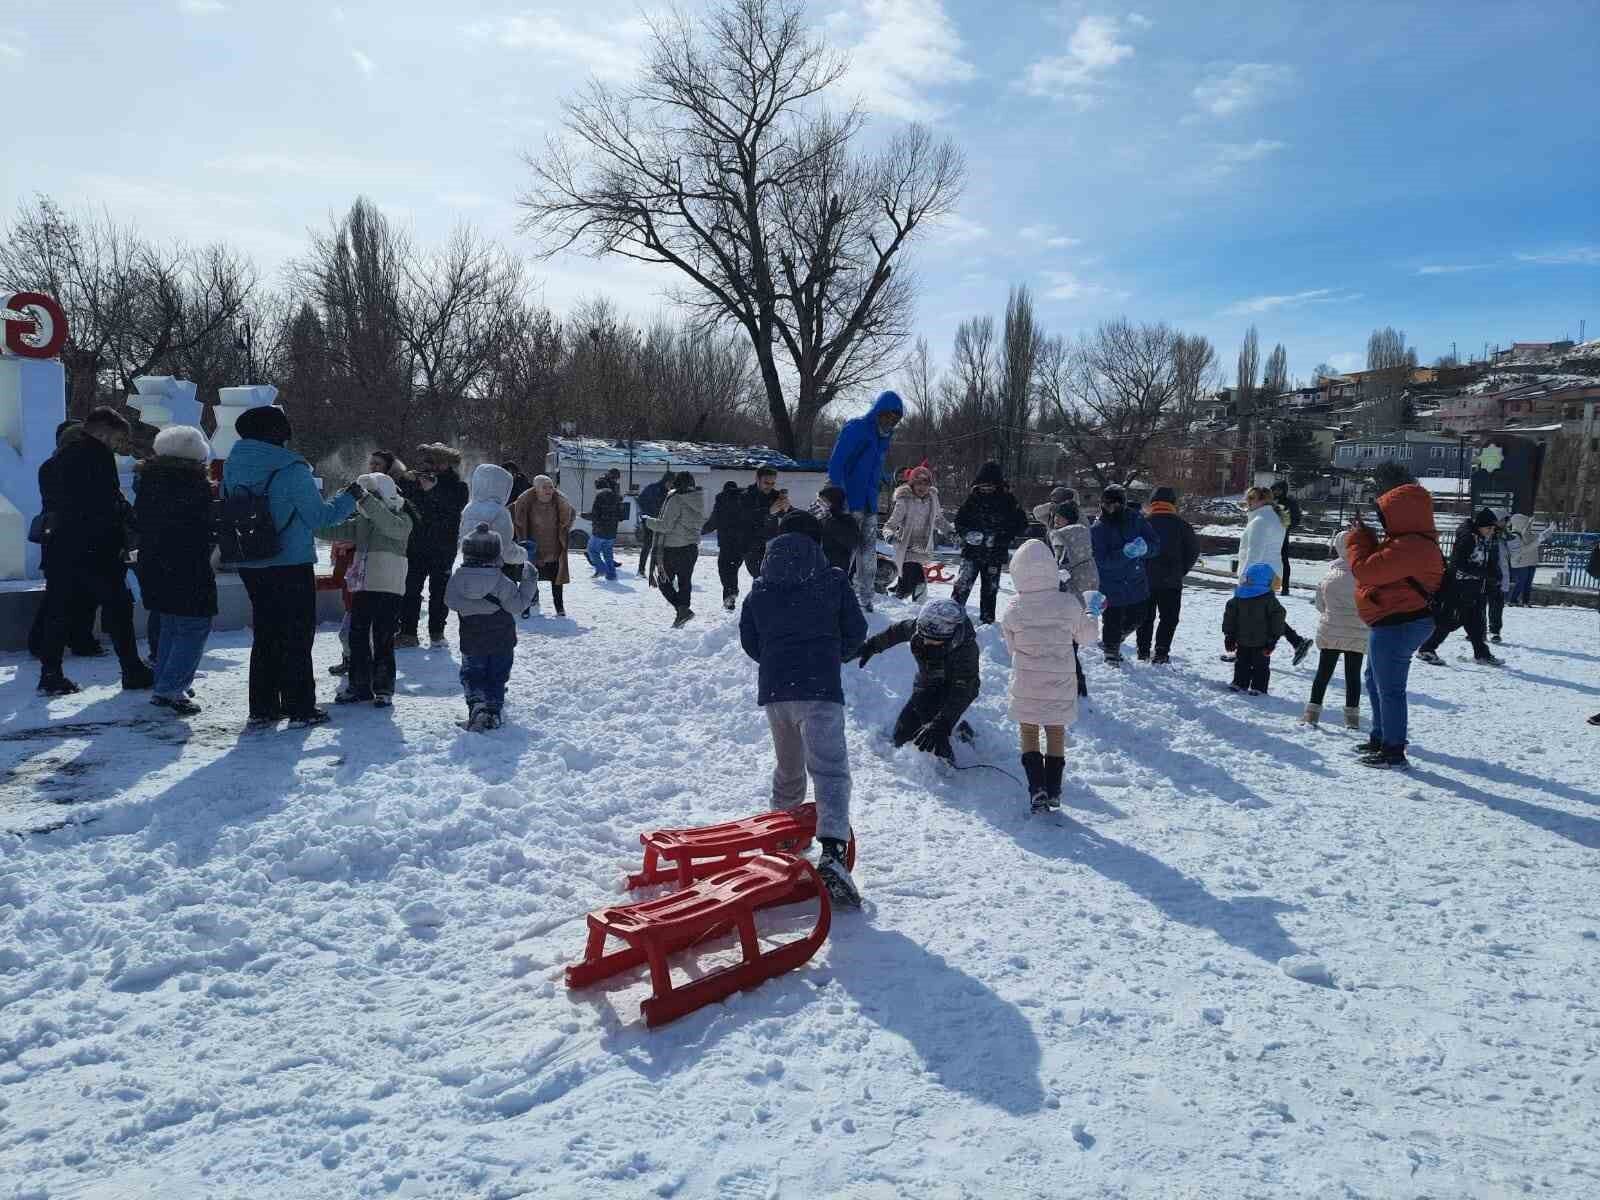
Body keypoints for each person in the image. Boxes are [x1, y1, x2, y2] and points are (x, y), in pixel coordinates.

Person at [739, 529, 868, 907]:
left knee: (789, 767)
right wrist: (831, 656)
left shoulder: (760, 589)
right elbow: (856, 632)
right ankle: (832, 854)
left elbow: (750, 639)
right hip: (820, 690)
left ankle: (782, 840)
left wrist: (777, 661)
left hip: (778, 692)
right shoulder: (831, 582)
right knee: (829, 770)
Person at [223, 404, 358, 728]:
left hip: (250, 559)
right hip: (289, 562)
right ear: (279, 434)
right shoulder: (292, 469)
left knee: (266, 632)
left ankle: (263, 706)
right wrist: (350, 497)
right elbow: (320, 519)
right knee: (296, 636)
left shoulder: (232, 465)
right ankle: (300, 707)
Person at [35, 407, 151, 696]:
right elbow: (107, 502)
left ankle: (50, 672)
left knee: (58, 609)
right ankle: (132, 669)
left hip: (60, 546)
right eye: (117, 438)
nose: (117, 445)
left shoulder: (53, 463)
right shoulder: (97, 456)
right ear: (103, 431)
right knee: (119, 607)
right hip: (97, 547)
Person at [1347, 481, 1444, 769]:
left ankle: (1393, 749)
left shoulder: (1412, 547)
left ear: (1403, 514)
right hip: (1394, 620)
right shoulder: (1406, 542)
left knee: (1390, 688)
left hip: (1399, 623)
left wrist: (1357, 538)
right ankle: (1381, 737)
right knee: (1375, 681)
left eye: (1384, 514)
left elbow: (1365, 570)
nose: (1382, 520)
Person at [1000, 538, 1099, 812]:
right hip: (1060, 681)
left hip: (1026, 682)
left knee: (1029, 732)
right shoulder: (1067, 603)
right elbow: (1088, 637)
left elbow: (1010, 647)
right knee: (1056, 732)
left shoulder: (1013, 608)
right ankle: (1054, 790)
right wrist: (1092, 611)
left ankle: (1037, 789)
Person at [133, 425, 215, 715]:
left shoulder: (148, 479)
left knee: (169, 624)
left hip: (153, 562)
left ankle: (164, 682)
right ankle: (172, 688)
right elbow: (203, 527)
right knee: (193, 625)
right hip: (187, 564)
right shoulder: (193, 485)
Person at [319, 472, 414, 707]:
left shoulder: (402, 516)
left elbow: (391, 527)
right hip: (363, 586)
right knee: (357, 637)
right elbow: (333, 530)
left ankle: (383, 688)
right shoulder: (363, 521)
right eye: (363, 495)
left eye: (370, 493)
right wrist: (306, 521)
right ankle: (360, 686)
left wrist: (365, 499)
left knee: (383, 638)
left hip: (389, 587)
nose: (364, 499)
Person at [854, 597, 979, 762]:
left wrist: (943, 723)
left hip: (951, 691)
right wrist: (872, 645)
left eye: (932, 639)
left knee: (935, 746)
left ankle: (961, 733)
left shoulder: (966, 650)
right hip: (926, 686)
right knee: (901, 738)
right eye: (923, 636)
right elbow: (896, 632)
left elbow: (965, 690)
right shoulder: (923, 627)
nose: (925, 641)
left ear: (950, 637)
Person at [444, 524, 537, 732]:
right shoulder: (501, 580)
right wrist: (530, 581)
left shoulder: (458, 578)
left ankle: (477, 705)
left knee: (472, 674)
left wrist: (473, 606)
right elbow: (517, 605)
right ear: (496, 554)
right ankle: (493, 712)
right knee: (497, 675)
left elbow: (450, 601)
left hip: (471, 639)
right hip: (501, 640)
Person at [27, 419, 106, 663]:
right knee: (81, 593)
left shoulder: (49, 465)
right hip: (76, 537)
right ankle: (78, 639)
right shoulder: (75, 466)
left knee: (59, 593)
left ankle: (45, 642)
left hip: (57, 539)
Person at [826, 390, 903, 613]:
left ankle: (865, 598)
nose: (890, 422)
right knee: (844, 551)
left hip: (869, 503)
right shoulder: (857, 428)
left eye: (895, 419)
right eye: (888, 416)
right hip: (849, 502)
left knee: (868, 552)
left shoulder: (883, 438)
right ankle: (833, 595)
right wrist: (836, 493)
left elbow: (871, 468)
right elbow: (837, 462)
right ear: (878, 411)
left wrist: (882, 480)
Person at [397, 443, 468, 649]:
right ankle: (408, 632)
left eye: (437, 461)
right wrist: (406, 480)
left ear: (448, 464)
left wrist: (433, 490)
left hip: (443, 547)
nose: (432, 466)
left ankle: (437, 632)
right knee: (410, 589)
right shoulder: (416, 482)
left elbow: (454, 507)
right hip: (416, 544)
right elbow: (403, 501)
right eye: (429, 461)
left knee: (439, 592)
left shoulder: (458, 486)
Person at [1236, 486, 1313, 665]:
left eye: (1251, 498)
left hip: (1258, 575)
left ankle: (1250, 652)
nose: (1248, 503)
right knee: (1267, 612)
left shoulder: (1261, 520)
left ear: (1263, 500)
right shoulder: (1274, 517)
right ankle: (1296, 641)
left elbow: (1255, 552)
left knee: (1251, 613)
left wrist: (1244, 578)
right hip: (1271, 572)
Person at [1417, 508, 1504, 667]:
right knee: (1449, 621)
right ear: (1479, 526)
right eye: (1489, 528)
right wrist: (1484, 573)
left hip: (1474, 588)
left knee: (1475, 621)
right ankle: (1426, 648)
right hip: (1457, 587)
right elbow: (1458, 564)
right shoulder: (1467, 538)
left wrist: (1495, 574)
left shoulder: (1485, 538)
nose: (1492, 531)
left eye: (1493, 528)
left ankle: (1481, 653)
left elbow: (1488, 561)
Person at [1090, 486, 1161, 665]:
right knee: (1112, 619)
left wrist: (1146, 549)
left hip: (1136, 580)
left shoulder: (1137, 519)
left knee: (1139, 616)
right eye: (1104, 504)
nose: (1108, 508)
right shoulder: (1098, 529)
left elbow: (1154, 543)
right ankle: (1111, 651)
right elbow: (1102, 560)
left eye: (1113, 504)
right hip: (1110, 583)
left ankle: (1114, 641)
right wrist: (1125, 553)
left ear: (1122, 504)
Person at [952, 462, 1029, 624]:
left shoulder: (1008, 501)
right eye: (983, 486)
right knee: (962, 585)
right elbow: (959, 521)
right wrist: (967, 534)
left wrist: (1002, 537)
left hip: (995, 553)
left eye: (990, 486)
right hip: (971, 552)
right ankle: (952, 614)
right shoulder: (972, 500)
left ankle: (987, 622)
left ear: (997, 484)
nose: (986, 489)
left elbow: (1022, 524)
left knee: (990, 589)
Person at [1303, 530, 1366, 728]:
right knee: (1353, 676)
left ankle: (1312, 713)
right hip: (1358, 632)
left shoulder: (1330, 575)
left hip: (1331, 630)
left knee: (1323, 673)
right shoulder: (1365, 575)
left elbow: (1320, 605)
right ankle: (1352, 719)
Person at [1136, 486, 1200, 665]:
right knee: (1169, 618)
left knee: (1145, 617)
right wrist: (1182, 570)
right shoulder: (1182, 525)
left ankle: (1142, 651)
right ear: (1173, 503)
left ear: (1152, 503)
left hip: (1144, 580)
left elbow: (1134, 550)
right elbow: (1193, 551)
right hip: (1172, 581)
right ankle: (1161, 652)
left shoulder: (1143, 523)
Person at [643, 471, 704, 627]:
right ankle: (682, 613)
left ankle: (682, 610)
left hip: (673, 549)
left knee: (662, 581)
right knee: (685, 582)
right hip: (691, 548)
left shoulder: (676, 499)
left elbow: (665, 525)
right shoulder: (698, 498)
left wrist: (647, 521)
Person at [510, 474, 575, 616]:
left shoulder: (559, 503)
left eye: (551, 487)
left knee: (556, 580)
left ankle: (559, 607)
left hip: (554, 548)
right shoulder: (527, 502)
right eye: (544, 487)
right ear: (536, 489)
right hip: (533, 549)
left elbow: (570, 515)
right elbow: (513, 513)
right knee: (528, 580)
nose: (549, 490)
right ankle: (525, 608)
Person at [882, 467, 949, 601]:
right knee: (917, 580)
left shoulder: (932, 499)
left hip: (923, 548)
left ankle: (898, 599)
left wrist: (951, 531)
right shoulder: (904, 500)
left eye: (925, 483)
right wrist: (889, 535)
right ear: (912, 483)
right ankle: (915, 604)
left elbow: (938, 520)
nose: (922, 487)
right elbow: (890, 525)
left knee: (907, 584)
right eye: (918, 483)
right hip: (906, 548)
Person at [1223, 563, 1287, 695]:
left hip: (1255, 640)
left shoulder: (1240, 597)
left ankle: (1254, 686)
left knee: (1253, 664)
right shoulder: (1267, 598)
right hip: (1259, 640)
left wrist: (1229, 635)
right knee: (1248, 664)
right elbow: (1278, 617)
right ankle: (1243, 683)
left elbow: (1229, 616)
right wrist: (1273, 637)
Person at [458, 464, 528, 581]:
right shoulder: (500, 512)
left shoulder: (469, 508)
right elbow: (505, 550)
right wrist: (523, 553)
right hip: (494, 573)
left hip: (469, 571)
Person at [703, 481, 747, 609]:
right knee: (733, 570)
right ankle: (731, 595)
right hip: (742, 543)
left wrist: (701, 531)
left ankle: (730, 596)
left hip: (727, 543)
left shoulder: (722, 500)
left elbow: (713, 521)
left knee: (725, 570)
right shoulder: (745, 500)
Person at [584, 477, 625, 581]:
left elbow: (595, 515)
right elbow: (621, 516)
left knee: (592, 550)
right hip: (612, 531)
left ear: (598, 487)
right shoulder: (617, 497)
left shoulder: (600, 496)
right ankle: (611, 575)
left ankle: (601, 569)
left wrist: (583, 515)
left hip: (599, 531)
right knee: (608, 553)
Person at [635, 469, 672, 581]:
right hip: (651, 521)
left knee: (657, 547)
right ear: (667, 481)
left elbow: (640, 500)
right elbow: (640, 501)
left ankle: (651, 570)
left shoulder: (653, 488)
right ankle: (642, 570)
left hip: (657, 521)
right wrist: (649, 513)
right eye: (671, 483)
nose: (672, 485)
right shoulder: (658, 490)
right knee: (649, 546)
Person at [815, 485, 861, 575]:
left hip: (837, 569)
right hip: (819, 566)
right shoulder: (821, 518)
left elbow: (852, 542)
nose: (818, 504)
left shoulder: (847, 520)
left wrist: (829, 523)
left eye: (822, 501)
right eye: (818, 501)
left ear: (833, 503)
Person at [1505, 513, 1546, 606]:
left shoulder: (1526, 534)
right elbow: (1524, 549)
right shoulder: (1514, 536)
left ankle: (1525, 601)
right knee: (1521, 583)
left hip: (1530, 562)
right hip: (1520, 563)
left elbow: (1534, 540)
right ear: (1519, 523)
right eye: (1526, 523)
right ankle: (1512, 600)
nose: (1528, 525)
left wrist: (1544, 534)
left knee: (1527, 583)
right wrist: (1538, 540)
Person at [1484, 511, 1512, 644]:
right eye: (1504, 520)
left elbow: (1512, 555)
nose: (1506, 524)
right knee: (1479, 605)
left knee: (1496, 605)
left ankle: (1495, 631)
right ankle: (1479, 630)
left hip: (1498, 577)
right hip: (1484, 575)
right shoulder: (1486, 534)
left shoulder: (1506, 537)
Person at [1271, 479, 1302, 596]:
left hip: (1282, 535)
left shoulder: (1290, 502)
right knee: (1269, 561)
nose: (1276, 492)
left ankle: (1285, 587)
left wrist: (1286, 527)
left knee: (1283, 562)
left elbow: (1296, 519)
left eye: (1278, 490)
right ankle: (1271, 585)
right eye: (1274, 490)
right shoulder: (1270, 501)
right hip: (1269, 536)